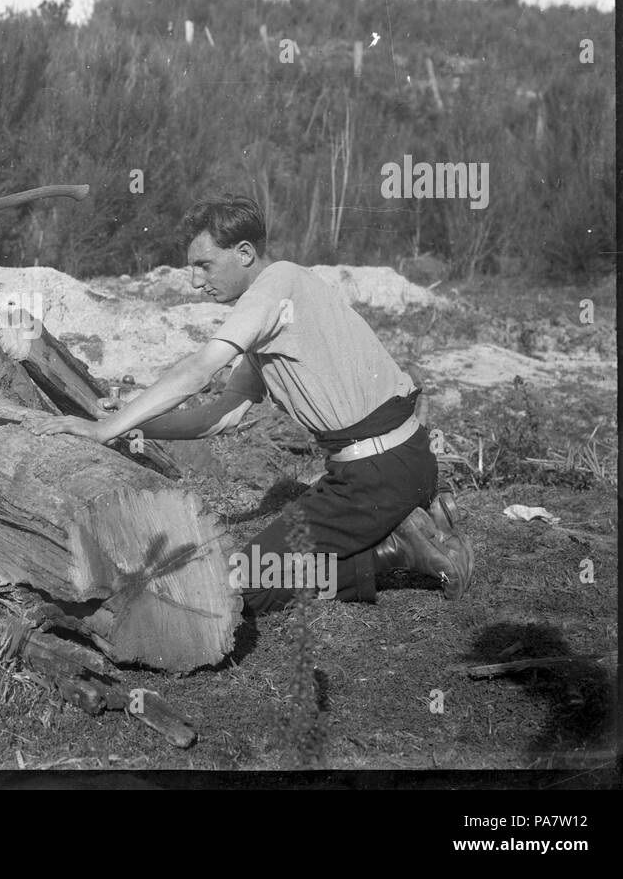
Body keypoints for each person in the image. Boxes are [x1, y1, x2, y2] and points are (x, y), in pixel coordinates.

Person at [35, 194, 473, 614]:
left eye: (204, 265)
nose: (195, 281)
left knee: (239, 585)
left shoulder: (275, 286)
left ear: (244, 252)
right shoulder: (281, 304)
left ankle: (393, 551)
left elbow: (198, 370)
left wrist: (102, 430)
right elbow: (219, 416)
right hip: (404, 460)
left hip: (376, 475)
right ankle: (402, 525)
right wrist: (132, 426)